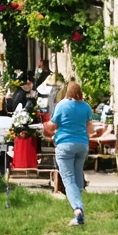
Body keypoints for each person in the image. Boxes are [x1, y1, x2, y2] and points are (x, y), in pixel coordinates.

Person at [43, 81, 93, 226]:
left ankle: (78, 211)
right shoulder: (86, 107)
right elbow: (90, 129)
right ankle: (78, 198)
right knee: (78, 176)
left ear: (67, 92)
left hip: (65, 145)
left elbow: (52, 126)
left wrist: (47, 129)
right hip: (82, 145)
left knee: (68, 179)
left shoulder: (62, 105)